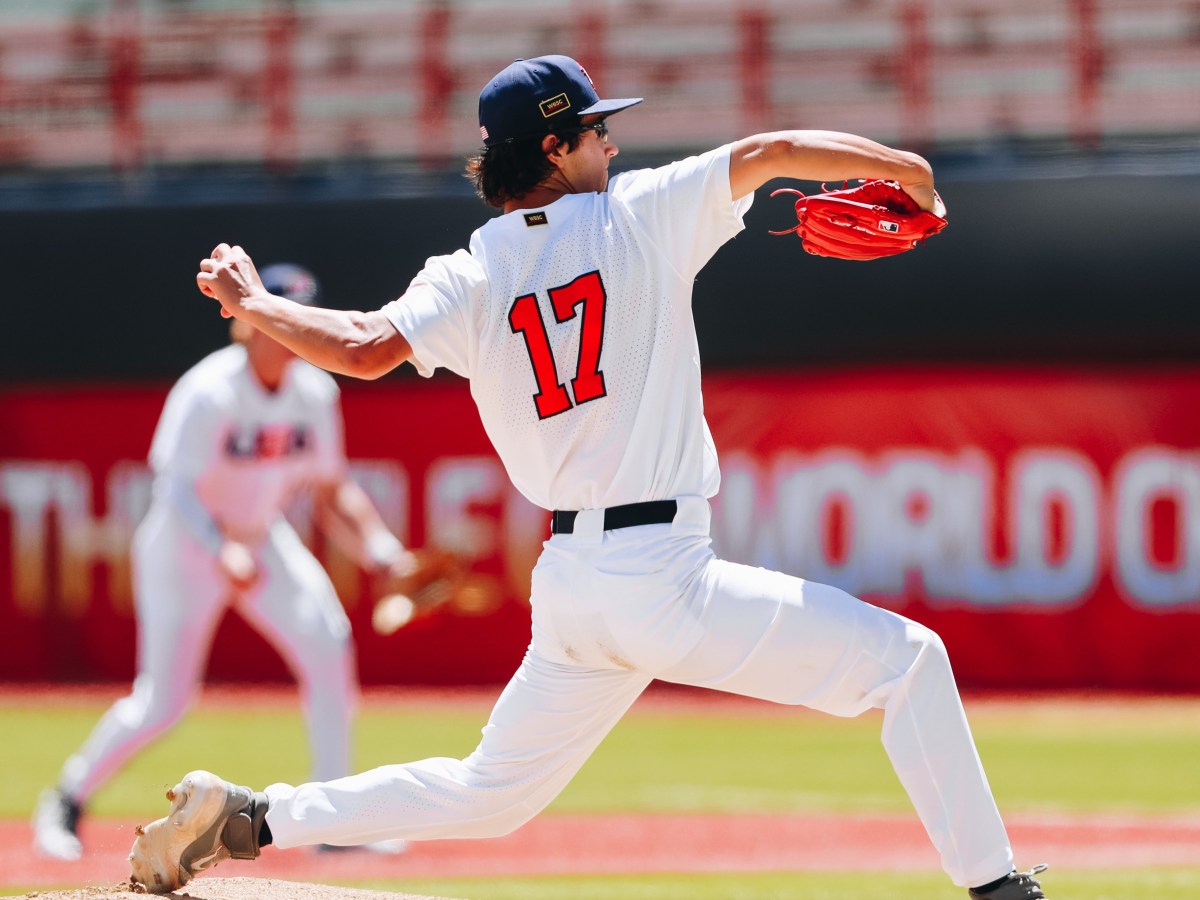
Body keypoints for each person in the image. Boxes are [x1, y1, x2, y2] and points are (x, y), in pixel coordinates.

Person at [129, 56, 1048, 899]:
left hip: (572, 585)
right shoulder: (640, 212)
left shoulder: (471, 269)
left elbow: (364, 349)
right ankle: (998, 889)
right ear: (557, 148)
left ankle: (254, 816)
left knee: (492, 795)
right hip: (662, 574)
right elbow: (774, 152)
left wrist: (256, 305)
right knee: (908, 662)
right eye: (596, 128)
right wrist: (905, 168)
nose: (613, 139)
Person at [33, 264, 411, 861]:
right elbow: (174, 487)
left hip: (261, 538)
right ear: (249, 321)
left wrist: (382, 551)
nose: (291, 326)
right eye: (279, 312)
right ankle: (67, 797)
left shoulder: (314, 392)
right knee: (164, 702)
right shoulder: (210, 389)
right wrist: (219, 548)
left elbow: (332, 488)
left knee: (328, 647)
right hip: (186, 544)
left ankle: (331, 822)